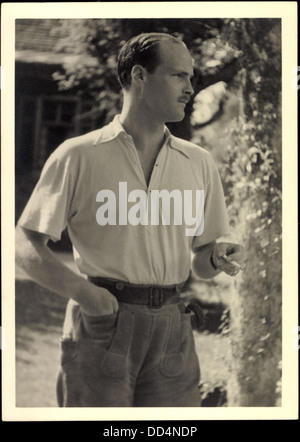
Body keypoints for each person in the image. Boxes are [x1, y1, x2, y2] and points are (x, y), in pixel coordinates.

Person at [15, 32, 245, 407]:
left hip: (173, 327)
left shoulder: (199, 162)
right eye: (178, 76)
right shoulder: (78, 155)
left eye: (192, 77)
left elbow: (201, 264)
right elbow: (24, 244)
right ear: (139, 75)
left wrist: (216, 256)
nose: (191, 87)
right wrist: (85, 294)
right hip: (102, 324)